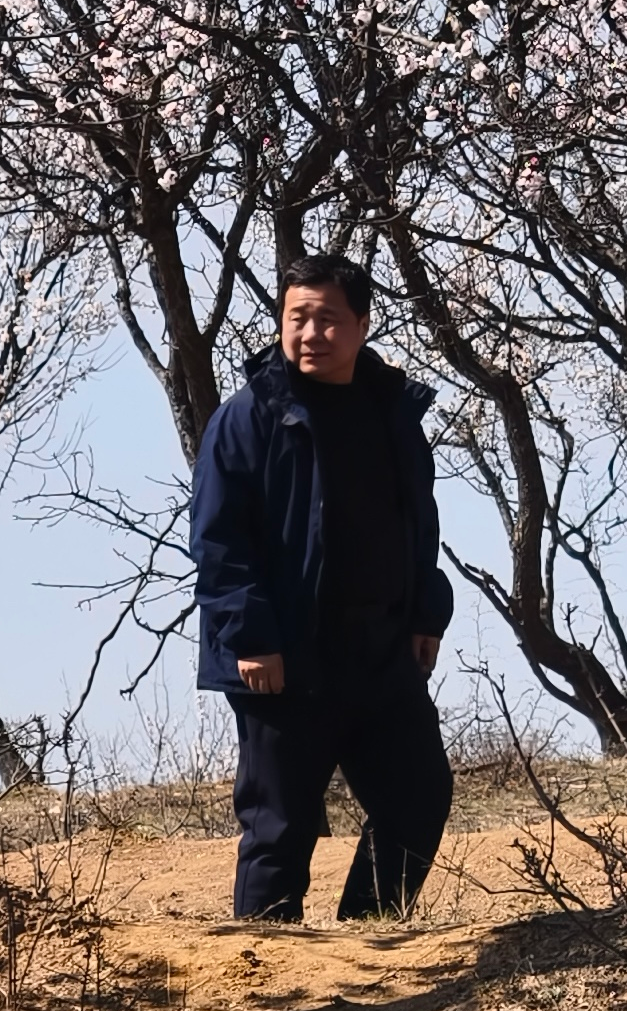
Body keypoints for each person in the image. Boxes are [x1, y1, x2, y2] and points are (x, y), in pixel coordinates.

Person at [190, 250, 459, 922]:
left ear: (362, 325)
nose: (311, 334)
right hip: (281, 660)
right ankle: (264, 973)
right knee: (282, 827)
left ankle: (367, 936)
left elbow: (419, 524)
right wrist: (251, 636)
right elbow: (219, 542)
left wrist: (428, 611)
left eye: (328, 319)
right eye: (297, 318)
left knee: (418, 796)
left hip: (381, 652)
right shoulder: (250, 418)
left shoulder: (394, 416)